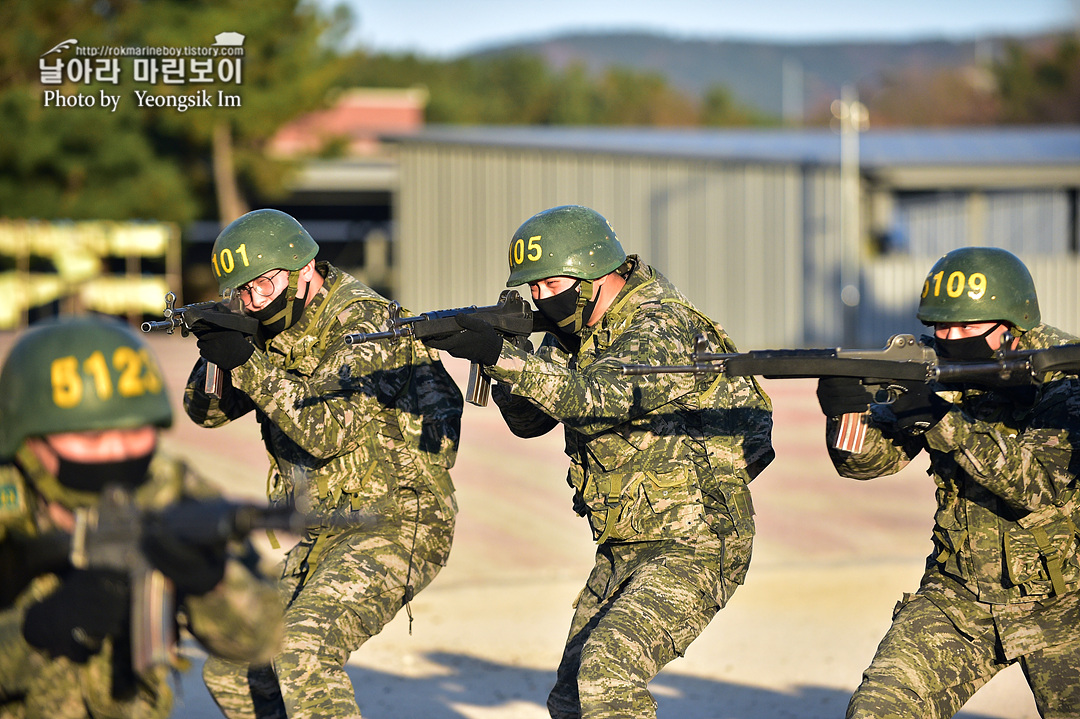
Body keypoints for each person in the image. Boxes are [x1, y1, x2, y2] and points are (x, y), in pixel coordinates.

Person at [424, 204, 774, 719]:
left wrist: (506, 357)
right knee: (570, 701)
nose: (542, 299)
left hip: (698, 542)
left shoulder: (661, 323)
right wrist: (502, 356)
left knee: (607, 675)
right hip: (624, 545)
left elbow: (596, 397)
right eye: (533, 289)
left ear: (593, 273)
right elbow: (530, 422)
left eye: (549, 284)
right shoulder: (577, 330)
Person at [184, 208, 463, 719]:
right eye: (240, 293)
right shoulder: (266, 320)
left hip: (400, 520)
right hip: (327, 527)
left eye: (261, 287)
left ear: (303, 270)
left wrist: (248, 361)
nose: (252, 302)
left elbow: (328, 430)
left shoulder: (366, 321)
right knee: (232, 666)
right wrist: (218, 353)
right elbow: (205, 415)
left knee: (302, 650)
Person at [815, 247, 1080, 718]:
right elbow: (868, 463)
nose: (950, 338)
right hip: (959, 597)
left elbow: (1038, 484)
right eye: (941, 326)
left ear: (1011, 324)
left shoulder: (1064, 374)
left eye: (965, 327)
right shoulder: (930, 366)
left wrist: (940, 419)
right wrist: (845, 411)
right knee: (877, 711)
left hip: (1066, 603)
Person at [0, 314, 282, 719]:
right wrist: (33, 635)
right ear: (27, 436)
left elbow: (263, 637)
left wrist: (213, 582)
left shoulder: (167, 486)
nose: (117, 450)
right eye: (92, 436)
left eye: (136, 431)